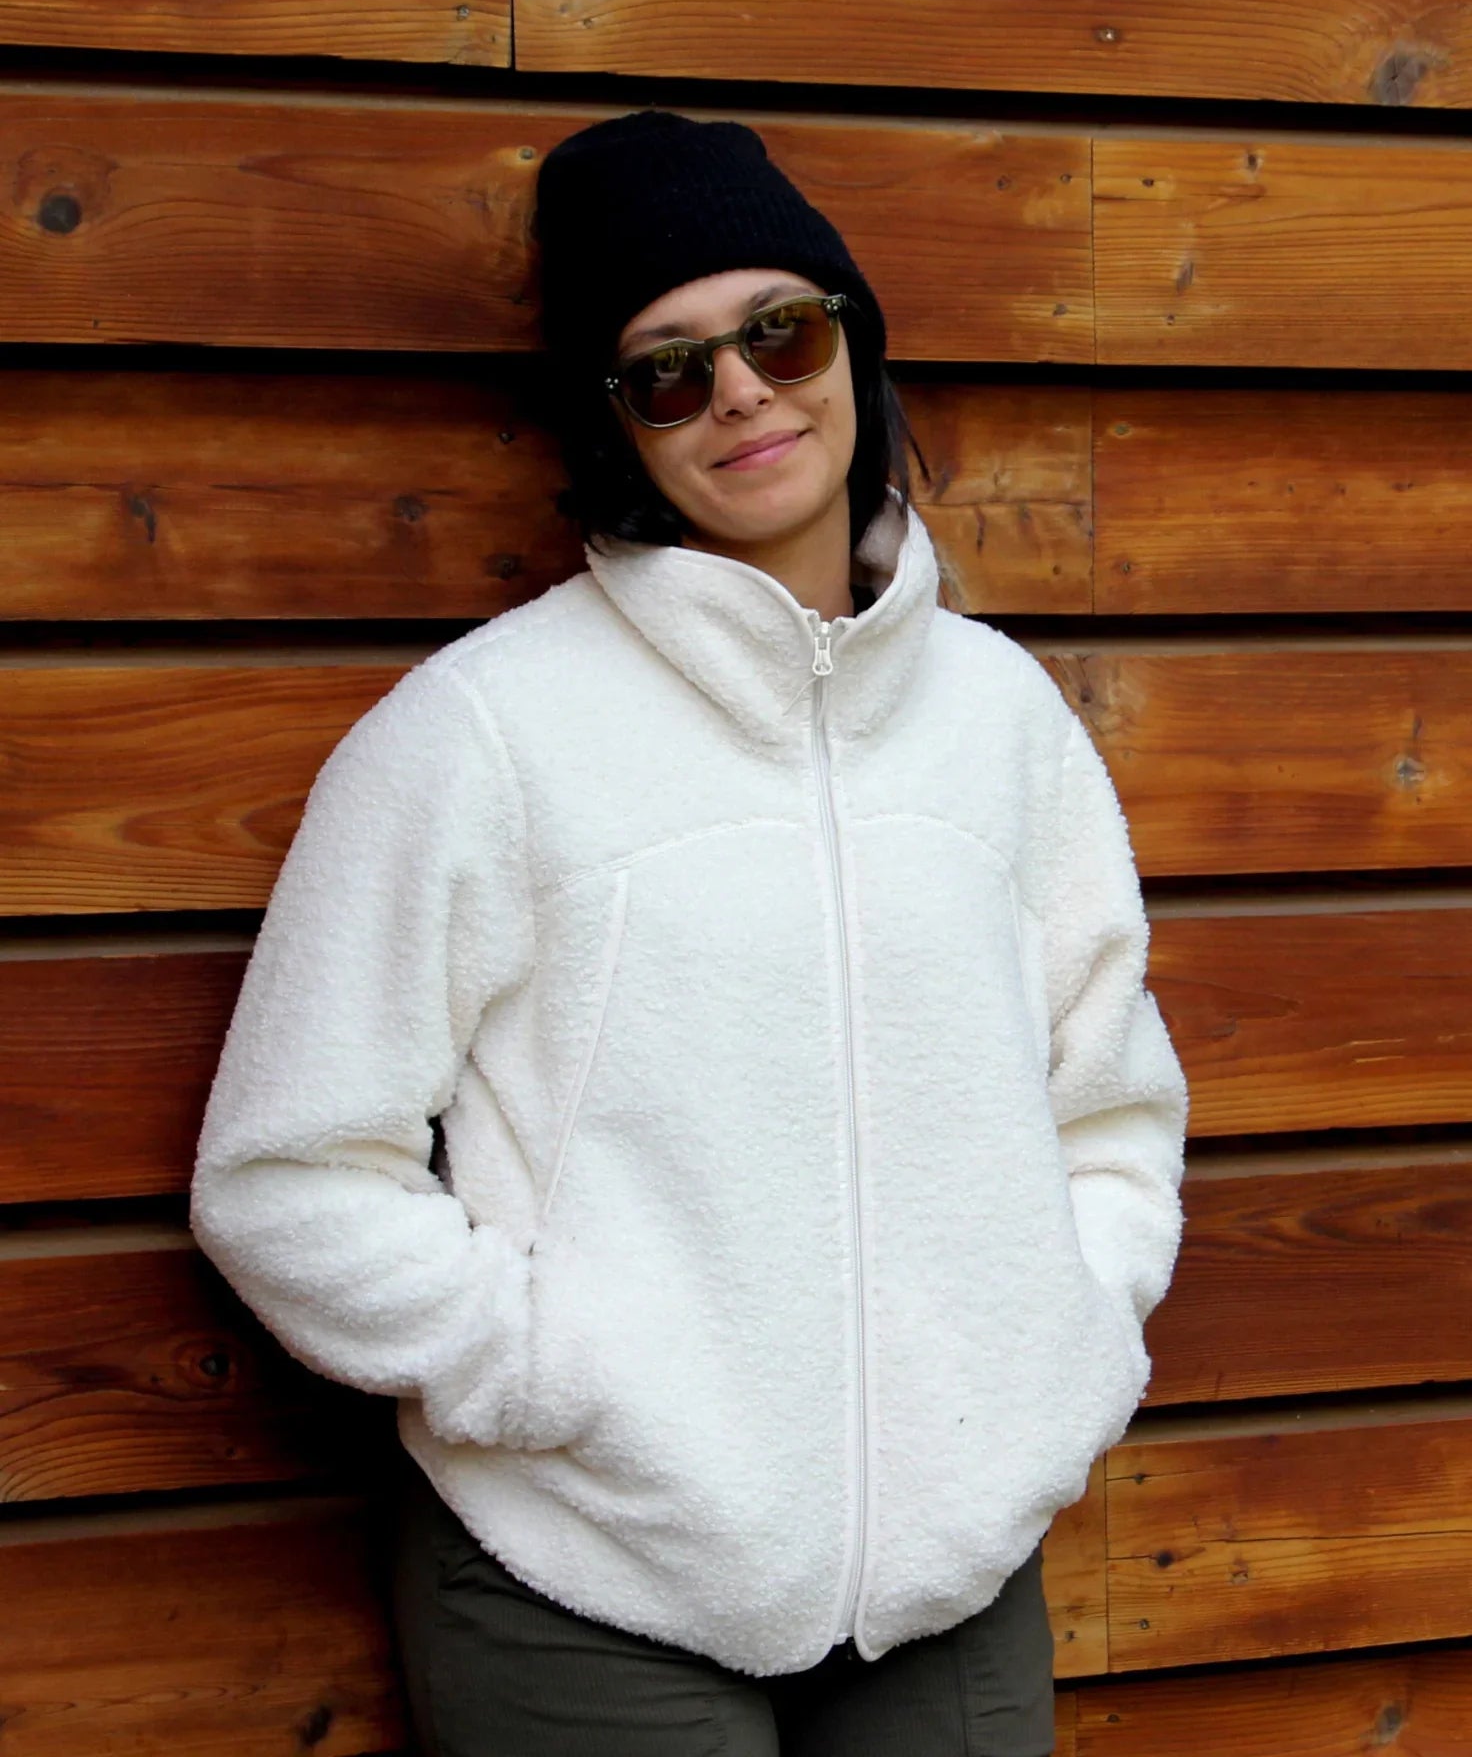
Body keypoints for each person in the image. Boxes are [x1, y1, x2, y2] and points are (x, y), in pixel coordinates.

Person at [188, 109, 1189, 1755]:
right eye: (668, 367)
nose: (740, 392)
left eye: (780, 332)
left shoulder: (1006, 725)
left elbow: (1109, 1102)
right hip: (594, 1580)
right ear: (617, 424)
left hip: (954, 1569)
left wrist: (1058, 1337)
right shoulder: (482, 735)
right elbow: (291, 1171)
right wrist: (552, 1377)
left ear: (853, 347)